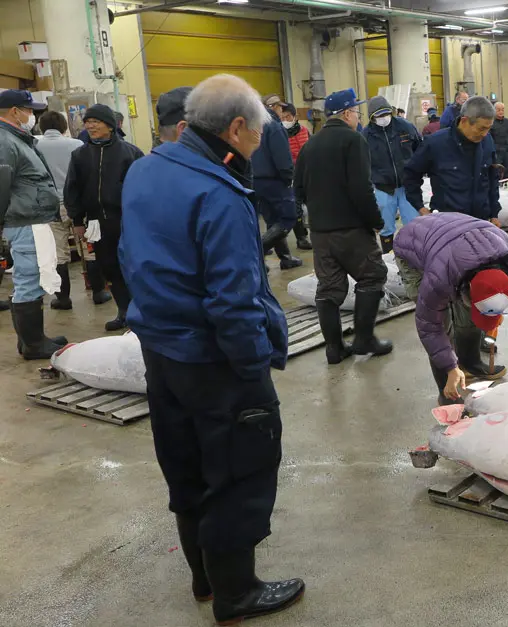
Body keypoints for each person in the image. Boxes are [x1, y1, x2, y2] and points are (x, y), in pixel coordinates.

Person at [119, 74, 304, 625]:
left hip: (161, 350)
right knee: (239, 468)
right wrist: (251, 371)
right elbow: (235, 298)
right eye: (257, 136)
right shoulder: (219, 194)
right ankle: (237, 592)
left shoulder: (147, 168)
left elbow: (131, 257)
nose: (259, 146)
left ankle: (204, 579)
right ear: (236, 127)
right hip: (214, 358)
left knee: (187, 462)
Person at [295, 88, 393, 363]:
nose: (359, 117)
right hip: (351, 229)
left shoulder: (309, 145)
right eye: (357, 112)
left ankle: (335, 348)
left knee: (328, 288)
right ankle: (364, 340)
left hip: (321, 232)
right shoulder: (353, 141)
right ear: (347, 113)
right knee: (372, 277)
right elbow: (361, 188)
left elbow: (298, 188)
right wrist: (375, 221)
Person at [394, 213, 508, 404]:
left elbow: (491, 290)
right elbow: (430, 329)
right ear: (466, 287)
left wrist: (494, 313)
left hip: (452, 238)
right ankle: (447, 390)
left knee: (469, 314)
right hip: (413, 244)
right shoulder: (438, 278)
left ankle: (470, 363)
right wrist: (449, 368)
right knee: (441, 322)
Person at [64, 103, 144, 331]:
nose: (90, 126)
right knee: (109, 267)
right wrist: (78, 220)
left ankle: (143, 312)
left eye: (95, 122)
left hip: (127, 220)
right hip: (97, 222)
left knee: (133, 266)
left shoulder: (130, 152)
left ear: (109, 125)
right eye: (88, 122)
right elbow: (73, 188)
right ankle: (125, 312)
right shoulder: (79, 155)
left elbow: (143, 188)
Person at [0, 89, 67, 355]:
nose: (32, 116)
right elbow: (2, 184)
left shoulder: (16, 138)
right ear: (15, 111)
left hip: (30, 217)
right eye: (28, 110)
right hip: (24, 219)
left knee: (31, 276)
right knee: (29, 277)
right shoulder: (5, 141)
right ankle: (33, 343)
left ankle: (31, 338)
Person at [403, 96, 501, 223]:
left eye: (489, 129)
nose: (485, 134)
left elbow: (492, 178)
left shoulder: (487, 141)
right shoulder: (436, 144)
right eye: (481, 128)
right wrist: (421, 208)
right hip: (447, 224)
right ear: (464, 120)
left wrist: (494, 213)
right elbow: (411, 175)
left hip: (480, 221)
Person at [35, 111, 84, 311]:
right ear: (64, 126)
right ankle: (98, 291)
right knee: (89, 250)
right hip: (78, 204)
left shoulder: (34, 146)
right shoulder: (77, 145)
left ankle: (63, 299)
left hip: (51, 206)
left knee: (58, 254)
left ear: (41, 127)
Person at [362, 95, 422, 254]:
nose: (383, 118)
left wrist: (417, 172)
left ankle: (414, 255)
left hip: (407, 186)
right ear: (372, 117)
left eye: (386, 114)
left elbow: (420, 149)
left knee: (413, 223)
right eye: (379, 116)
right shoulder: (365, 135)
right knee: (386, 225)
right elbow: (362, 163)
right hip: (383, 188)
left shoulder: (405, 127)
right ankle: (388, 255)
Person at [255, 98, 302, 269]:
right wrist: (290, 178)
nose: (282, 113)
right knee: (288, 218)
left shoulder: (253, 125)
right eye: (280, 109)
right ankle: (257, 253)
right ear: (272, 108)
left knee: (272, 219)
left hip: (255, 181)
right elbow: (283, 159)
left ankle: (285, 258)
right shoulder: (274, 127)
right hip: (275, 181)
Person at [279, 103, 313, 250]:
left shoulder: (305, 131)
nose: (286, 120)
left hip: (308, 173)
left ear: (295, 117)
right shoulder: (279, 134)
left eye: (288, 116)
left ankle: (316, 233)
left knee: (313, 204)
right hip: (292, 176)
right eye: (283, 117)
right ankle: (301, 238)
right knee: (296, 207)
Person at [490, 102, 508, 179]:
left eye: (502, 109)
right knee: (497, 172)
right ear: (494, 110)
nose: (501, 112)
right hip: (497, 152)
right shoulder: (491, 122)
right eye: (498, 110)